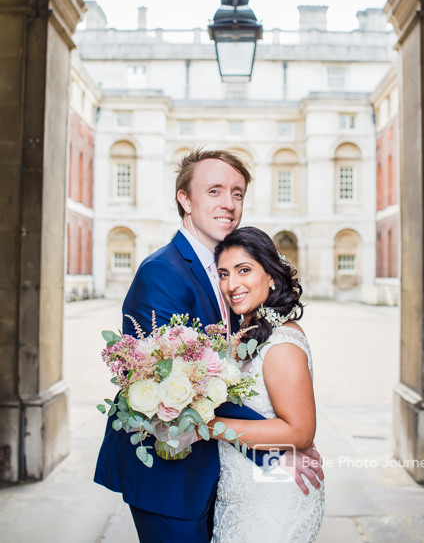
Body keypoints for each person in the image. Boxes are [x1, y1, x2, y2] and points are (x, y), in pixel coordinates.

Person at [94, 149, 323, 543]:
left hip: (218, 472)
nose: (229, 204)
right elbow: (177, 386)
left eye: (237, 193)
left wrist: (288, 434)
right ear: (185, 199)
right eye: (215, 190)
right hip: (170, 478)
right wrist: (281, 442)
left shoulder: (225, 270)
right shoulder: (162, 272)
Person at [211, 226, 325, 542]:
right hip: (241, 489)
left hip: (272, 500)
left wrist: (206, 427)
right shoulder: (244, 332)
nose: (232, 284)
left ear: (271, 276)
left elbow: (299, 432)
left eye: (243, 270)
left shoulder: (281, 345)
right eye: (223, 274)